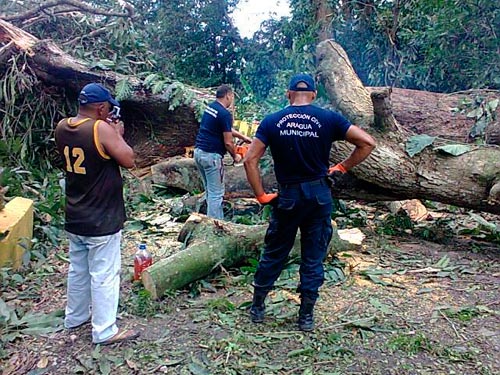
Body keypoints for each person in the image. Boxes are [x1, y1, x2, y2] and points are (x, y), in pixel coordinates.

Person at [243, 73, 376, 331]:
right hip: (318, 197)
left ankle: (258, 306)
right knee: (313, 256)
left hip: (288, 197)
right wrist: (341, 167)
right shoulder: (328, 118)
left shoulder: (272, 121)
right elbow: (367, 143)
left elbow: (250, 160)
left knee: (275, 252)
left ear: (288, 94)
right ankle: (306, 317)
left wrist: (260, 195)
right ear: (314, 95)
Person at [55, 83, 139, 345]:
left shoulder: (62, 127)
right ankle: (104, 330)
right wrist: (118, 134)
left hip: (76, 212)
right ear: (101, 108)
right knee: (103, 273)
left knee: (78, 271)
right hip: (101, 216)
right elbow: (129, 159)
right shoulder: (100, 128)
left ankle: (75, 317)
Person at [194, 84, 252, 219]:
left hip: (199, 153)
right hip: (212, 157)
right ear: (228, 95)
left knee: (210, 191)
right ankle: (215, 226)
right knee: (216, 194)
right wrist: (235, 155)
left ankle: (208, 221)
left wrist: (243, 137)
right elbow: (228, 142)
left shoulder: (211, 107)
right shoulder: (224, 113)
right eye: (232, 97)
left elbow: (225, 128)